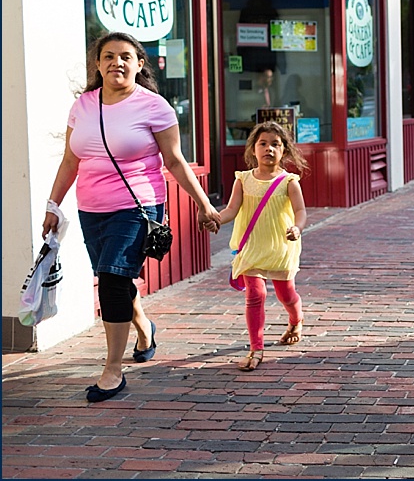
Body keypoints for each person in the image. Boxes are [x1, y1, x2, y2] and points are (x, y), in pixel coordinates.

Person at [41, 32, 222, 403]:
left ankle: (112, 369)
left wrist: (204, 204)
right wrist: (52, 205)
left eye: (125, 56)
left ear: (140, 64)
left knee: (110, 278)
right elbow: (70, 161)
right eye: (108, 56)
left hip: (137, 206)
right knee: (115, 277)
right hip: (92, 209)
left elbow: (174, 160)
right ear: (98, 64)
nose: (116, 63)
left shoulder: (155, 107)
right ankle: (144, 327)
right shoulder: (83, 106)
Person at [214, 121, 309, 371]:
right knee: (255, 294)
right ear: (253, 149)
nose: (269, 149)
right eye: (263, 144)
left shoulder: (289, 181)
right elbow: (231, 210)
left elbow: (300, 211)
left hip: (280, 248)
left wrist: (297, 228)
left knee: (285, 294)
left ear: (284, 151)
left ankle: (296, 319)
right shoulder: (243, 180)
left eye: (275, 144)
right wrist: (216, 219)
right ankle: (256, 349)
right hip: (252, 247)